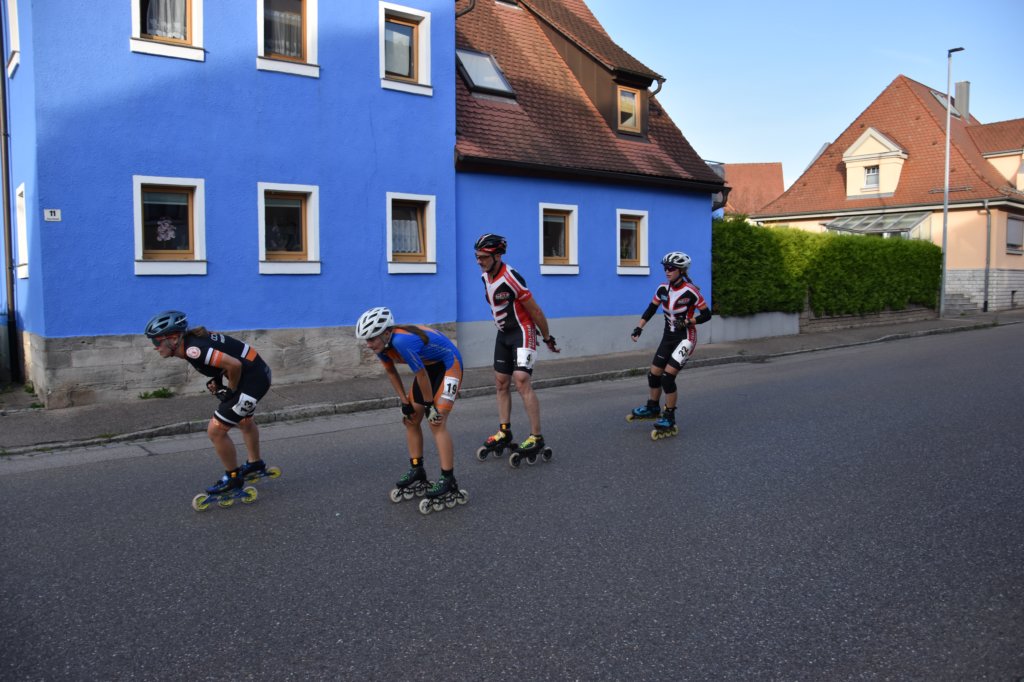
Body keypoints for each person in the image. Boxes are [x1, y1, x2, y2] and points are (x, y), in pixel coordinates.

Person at [144, 310, 273, 494]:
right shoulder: (192, 342)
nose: (155, 347)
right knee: (244, 421)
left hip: (253, 381)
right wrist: (219, 380)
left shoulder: (193, 350)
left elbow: (234, 365)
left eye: (156, 342)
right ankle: (255, 464)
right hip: (256, 374)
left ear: (173, 338)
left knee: (216, 431)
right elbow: (228, 359)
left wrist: (231, 390)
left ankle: (233, 478)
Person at [355, 306, 467, 511]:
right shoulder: (382, 346)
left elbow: (421, 375)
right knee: (411, 419)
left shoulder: (401, 342)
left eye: (371, 339)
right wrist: (404, 402)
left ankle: (448, 479)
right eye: (366, 340)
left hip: (449, 364)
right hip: (428, 367)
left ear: (386, 333)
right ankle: (417, 470)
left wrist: (430, 406)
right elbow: (391, 373)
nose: (368, 344)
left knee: (436, 421)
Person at [474, 233, 560, 458]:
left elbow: (535, 311)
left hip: (523, 331)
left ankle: (536, 437)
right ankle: (504, 431)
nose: (479, 261)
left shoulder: (511, 277)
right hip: (503, 334)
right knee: (501, 382)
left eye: (483, 257)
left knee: (521, 380)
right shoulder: (485, 277)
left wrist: (547, 337)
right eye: (477, 256)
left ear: (498, 256)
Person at [629, 252, 711, 435]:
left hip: (686, 338)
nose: (667, 271)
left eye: (671, 268)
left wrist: (689, 321)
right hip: (668, 337)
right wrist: (639, 327)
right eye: (665, 268)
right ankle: (652, 407)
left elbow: (707, 315)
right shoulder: (662, 289)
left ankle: (670, 417)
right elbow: (651, 309)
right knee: (654, 374)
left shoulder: (691, 291)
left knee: (667, 378)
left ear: (681, 270)